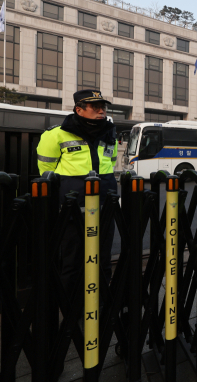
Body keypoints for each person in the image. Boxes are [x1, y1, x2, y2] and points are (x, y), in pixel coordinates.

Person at [37, 90, 118, 287]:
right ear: (79, 110)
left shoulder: (110, 133)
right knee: (72, 260)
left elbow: (111, 164)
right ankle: (71, 308)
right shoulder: (55, 134)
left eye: (103, 107)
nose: (101, 111)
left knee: (103, 259)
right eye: (95, 107)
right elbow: (46, 171)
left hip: (105, 206)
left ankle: (101, 303)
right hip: (73, 210)